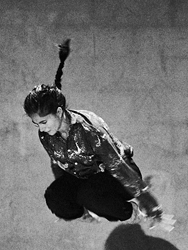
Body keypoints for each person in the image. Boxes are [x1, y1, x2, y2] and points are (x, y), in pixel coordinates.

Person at [23, 39, 170, 226]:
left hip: (115, 177)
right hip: (85, 178)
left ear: (58, 112)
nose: (41, 128)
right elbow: (57, 164)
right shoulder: (46, 135)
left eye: (44, 122)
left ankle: (131, 212)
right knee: (55, 196)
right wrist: (67, 202)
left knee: (89, 194)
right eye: (36, 124)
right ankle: (90, 209)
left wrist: (147, 202)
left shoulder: (88, 130)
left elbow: (117, 165)